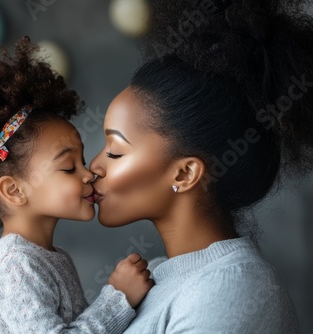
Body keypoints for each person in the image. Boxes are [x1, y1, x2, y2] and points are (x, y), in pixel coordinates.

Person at [90, 0, 313, 332]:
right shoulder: (155, 278)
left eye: (116, 151)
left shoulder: (232, 289)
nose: (93, 166)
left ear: (185, 173)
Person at [0, 36, 152, 333]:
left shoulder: (46, 256)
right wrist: (119, 298)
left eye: (82, 162)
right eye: (68, 167)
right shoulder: (13, 265)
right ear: (14, 190)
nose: (88, 174)